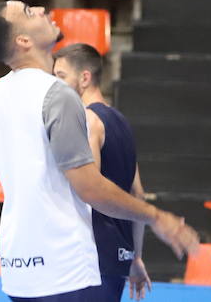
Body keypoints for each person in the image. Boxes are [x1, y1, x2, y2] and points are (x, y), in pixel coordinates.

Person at [0, 0, 199, 302]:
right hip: (63, 267)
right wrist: (156, 217)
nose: (41, 9)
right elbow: (90, 188)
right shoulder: (56, 95)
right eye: (29, 12)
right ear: (23, 41)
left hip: (17, 266)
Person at [54, 43, 149, 301]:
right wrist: (135, 256)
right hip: (117, 257)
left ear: (84, 78)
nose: (55, 86)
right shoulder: (122, 123)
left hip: (90, 259)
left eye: (60, 77)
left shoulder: (86, 120)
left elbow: (88, 192)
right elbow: (137, 195)